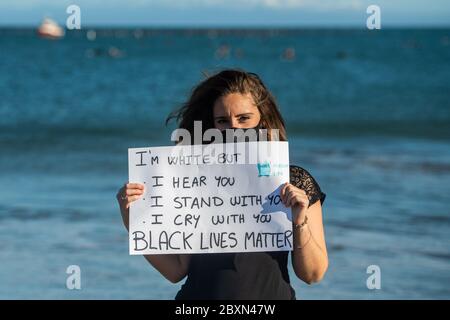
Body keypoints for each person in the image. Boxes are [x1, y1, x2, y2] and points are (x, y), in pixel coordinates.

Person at [116, 69, 328, 299]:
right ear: (212, 125)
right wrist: (133, 217)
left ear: (263, 118)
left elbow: (313, 274)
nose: (234, 129)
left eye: (244, 118)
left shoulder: (293, 181)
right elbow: (175, 270)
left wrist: (300, 221)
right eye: (223, 121)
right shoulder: (193, 179)